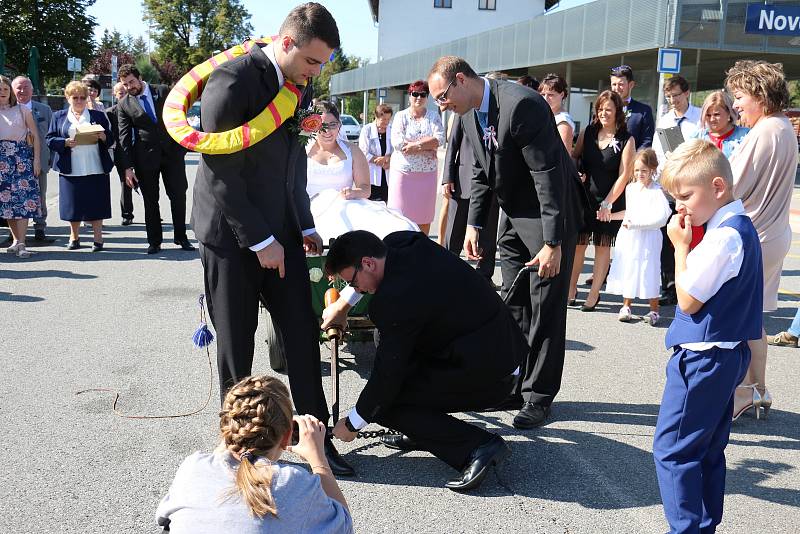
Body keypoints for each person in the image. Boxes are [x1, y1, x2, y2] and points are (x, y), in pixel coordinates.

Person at [192, 3, 353, 476]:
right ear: (286, 43)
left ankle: (313, 441)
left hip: (282, 231)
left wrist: (303, 223)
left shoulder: (297, 86)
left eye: (322, 63)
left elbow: (293, 161)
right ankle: (239, 448)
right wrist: (259, 239)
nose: (316, 72)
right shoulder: (232, 81)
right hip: (231, 234)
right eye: (311, 61)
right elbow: (219, 167)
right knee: (236, 345)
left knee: (302, 334)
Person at [428, 56, 584, 429]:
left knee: (545, 307)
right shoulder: (466, 112)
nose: (440, 104)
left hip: (549, 217)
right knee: (514, 304)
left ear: (461, 80)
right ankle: (515, 383)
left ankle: (539, 395)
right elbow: (482, 172)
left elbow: (548, 177)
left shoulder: (522, 105)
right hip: (514, 215)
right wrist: (474, 224)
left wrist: (553, 242)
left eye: (442, 96)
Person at [322, 230, 526, 492]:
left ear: (369, 263)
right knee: (394, 360)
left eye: (352, 281)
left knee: (385, 404)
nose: (356, 288)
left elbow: (386, 378)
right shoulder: (402, 242)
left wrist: (352, 423)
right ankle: (426, 432)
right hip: (499, 348)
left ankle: (477, 446)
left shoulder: (394, 299)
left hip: (491, 374)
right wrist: (342, 306)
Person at [653, 139, 762, 534]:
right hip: (725, 355)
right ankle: (703, 526)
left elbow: (687, 300)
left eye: (685, 196)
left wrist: (680, 248)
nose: (679, 206)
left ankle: (687, 529)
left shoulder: (722, 237)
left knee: (673, 451)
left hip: (703, 359)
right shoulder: (735, 226)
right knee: (707, 451)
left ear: (717, 188)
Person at [156, 375, 353, 534]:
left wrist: (230, 439)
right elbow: (344, 525)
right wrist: (318, 460)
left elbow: (164, 520)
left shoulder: (193, 467)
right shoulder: (294, 483)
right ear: (286, 438)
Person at [726, 60, 797, 420]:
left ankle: (744, 390)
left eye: (739, 96)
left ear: (759, 94)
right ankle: (757, 389)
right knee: (754, 321)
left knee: (739, 321)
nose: (735, 104)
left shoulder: (764, 131)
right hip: (774, 233)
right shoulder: (783, 126)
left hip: (753, 236)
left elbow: (731, 187)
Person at [569, 90, 635, 311]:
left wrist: (607, 203)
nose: (604, 113)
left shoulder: (627, 139)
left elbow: (625, 174)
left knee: (601, 247)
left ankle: (594, 293)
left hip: (610, 200)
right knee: (578, 245)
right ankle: (571, 289)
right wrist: (577, 170)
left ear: (618, 112)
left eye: (608, 109)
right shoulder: (588, 131)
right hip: (584, 198)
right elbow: (575, 156)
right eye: (600, 109)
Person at [116, 64, 194, 254]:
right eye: (125, 84)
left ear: (139, 77)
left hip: (172, 154)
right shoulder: (124, 104)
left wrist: (184, 146)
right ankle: (154, 241)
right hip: (145, 158)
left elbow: (181, 115)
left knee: (178, 196)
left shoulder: (164, 91)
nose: (129, 87)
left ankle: (181, 237)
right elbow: (123, 137)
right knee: (151, 200)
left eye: (131, 82)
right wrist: (127, 167)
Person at [46, 81, 114, 252]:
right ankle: (74, 237)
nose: (79, 101)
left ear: (87, 98)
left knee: (97, 203)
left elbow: (112, 139)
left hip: (95, 165)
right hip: (70, 167)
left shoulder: (97, 116)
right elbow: (50, 139)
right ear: (68, 98)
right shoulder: (59, 116)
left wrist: (103, 137)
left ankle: (98, 239)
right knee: (72, 204)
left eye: (82, 97)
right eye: (75, 97)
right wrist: (65, 142)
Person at [605, 148, 671, 324]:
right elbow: (630, 213)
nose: (640, 174)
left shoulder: (657, 191)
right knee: (630, 266)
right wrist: (611, 216)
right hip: (630, 236)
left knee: (649, 268)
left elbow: (661, 218)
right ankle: (626, 305)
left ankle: (654, 310)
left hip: (649, 237)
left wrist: (636, 224)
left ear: (652, 170)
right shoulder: (631, 189)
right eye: (637, 170)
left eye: (644, 170)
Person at [441, 113, 498, 285]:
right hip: (462, 181)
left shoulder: (498, 110)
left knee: (488, 233)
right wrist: (447, 177)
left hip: (490, 182)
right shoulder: (464, 110)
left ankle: (484, 276)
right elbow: (453, 145)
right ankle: (448, 272)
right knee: (454, 232)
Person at [387, 80, 445, 235]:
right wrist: (427, 145)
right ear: (409, 95)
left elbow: (439, 139)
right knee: (399, 217)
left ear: (427, 97)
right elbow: (398, 143)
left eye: (423, 94)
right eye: (415, 94)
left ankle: (421, 251)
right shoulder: (400, 116)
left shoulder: (434, 116)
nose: (418, 98)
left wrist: (415, 146)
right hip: (403, 175)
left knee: (424, 217)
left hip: (427, 176)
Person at [0, 74, 42, 258]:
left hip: (21, 158)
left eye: (5, 89)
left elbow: (35, 137)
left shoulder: (23, 110)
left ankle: (23, 242)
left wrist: (37, 159)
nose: (2, 92)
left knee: (24, 200)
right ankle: (16, 240)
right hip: (2, 160)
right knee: (7, 201)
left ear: (10, 91)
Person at [12, 76, 53, 243]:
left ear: (32, 89)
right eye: (18, 88)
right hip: (13, 161)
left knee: (40, 194)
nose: (22, 91)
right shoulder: (7, 110)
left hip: (40, 159)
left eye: (26, 87)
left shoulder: (44, 110)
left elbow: (51, 135)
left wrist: (50, 158)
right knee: (15, 195)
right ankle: (13, 233)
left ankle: (40, 228)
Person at [306, 101, 370, 200]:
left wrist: (352, 193)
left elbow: (365, 189)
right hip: (309, 210)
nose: (327, 131)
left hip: (343, 209)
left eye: (332, 125)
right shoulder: (302, 151)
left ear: (339, 125)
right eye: (322, 125)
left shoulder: (353, 151)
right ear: (314, 125)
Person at [652, 75, 701, 166]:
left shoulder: (701, 117)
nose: (672, 100)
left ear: (686, 93)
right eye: (668, 96)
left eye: (675, 95)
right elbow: (657, 150)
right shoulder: (665, 121)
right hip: (670, 172)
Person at [690, 90, 749, 159]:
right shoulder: (696, 138)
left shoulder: (746, 136)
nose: (712, 119)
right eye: (708, 115)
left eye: (716, 114)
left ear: (729, 113)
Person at [106, 81, 135, 225]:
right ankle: (127, 214)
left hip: (140, 150)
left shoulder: (136, 108)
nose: (123, 95)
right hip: (121, 152)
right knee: (126, 182)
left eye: (126, 92)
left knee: (149, 182)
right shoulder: (110, 113)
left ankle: (153, 212)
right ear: (115, 95)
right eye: (120, 93)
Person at [610, 64, 654, 149]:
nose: (617, 88)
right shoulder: (603, 109)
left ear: (631, 85)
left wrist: (634, 160)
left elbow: (647, 142)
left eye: (621, 84)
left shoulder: (644, 111)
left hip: (632, 160)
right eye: (614, 84)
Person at [357, 103, 392, 202]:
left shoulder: (391, 129)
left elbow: (397, 150)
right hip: (371, 175)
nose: (386, 122)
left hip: (387, 176)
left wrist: (387, 159)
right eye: (383, 119)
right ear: (376, 117)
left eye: (388, 119)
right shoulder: (367, 130)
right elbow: (363, 152)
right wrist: (380, 161)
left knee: (386, 205)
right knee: (371, 205)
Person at [539, 73, 574, 156]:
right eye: (543, 94)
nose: (545, 98)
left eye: (550, 94)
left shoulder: (563, 121)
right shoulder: (546, 116)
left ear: (562, 94)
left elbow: (564, 156)